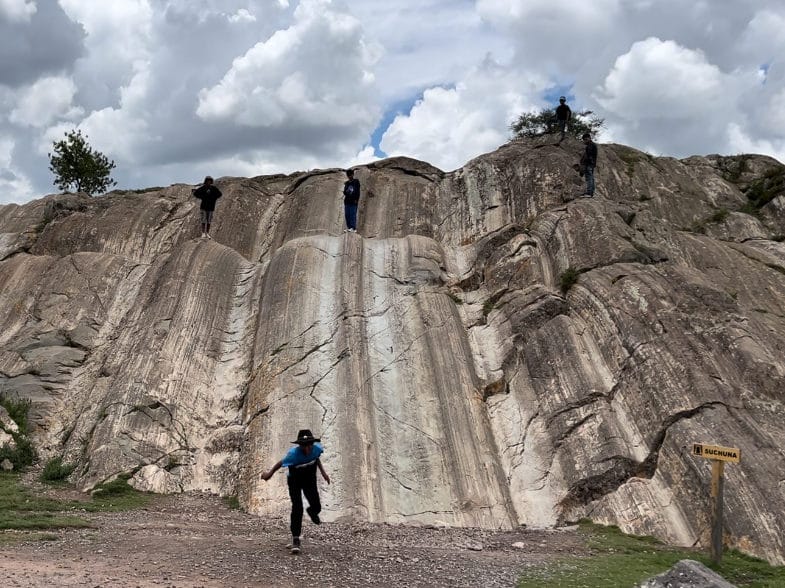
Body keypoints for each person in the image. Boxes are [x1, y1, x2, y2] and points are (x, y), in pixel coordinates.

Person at [261, 429, 330, 555]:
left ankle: (312, 511)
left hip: (310, 479)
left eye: (309, 445)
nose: (307, 448)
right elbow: (280, 464)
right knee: (297, 508)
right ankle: (296, 538)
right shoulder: (293, 454)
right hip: (295, 480)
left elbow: (316, 459)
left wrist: (324, 473)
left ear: (312, 444)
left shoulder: (317, 449)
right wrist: (269, 474)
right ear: (300, 445)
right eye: (304, 445)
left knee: (316, 504)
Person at [342, 169, 360, 233]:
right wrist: (346, 191)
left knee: (352, 214)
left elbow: (357, 191)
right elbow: (344, 192)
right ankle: (349, 227)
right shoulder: (346, 183)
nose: (349, 176)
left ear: (353, 174)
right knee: (347, 215)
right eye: (348, 175)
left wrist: (356, 199)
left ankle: (353, 228)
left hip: (353, 201)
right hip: (347, 201)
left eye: (350, 175)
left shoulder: (356, 181)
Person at [580, 133, 598, 197]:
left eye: (586, 139)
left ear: (589, 138)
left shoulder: (590, 145)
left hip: (589, 164)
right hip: (591, 164)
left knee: (589, 178)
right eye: (584, 140)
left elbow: (589, 156)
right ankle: (591, 192)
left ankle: (589, 193)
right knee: (591, 178)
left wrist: (584, 164)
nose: (585, 141)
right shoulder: (592, 145)